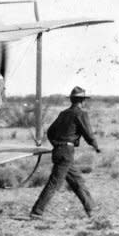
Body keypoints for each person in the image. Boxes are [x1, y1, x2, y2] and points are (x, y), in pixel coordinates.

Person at [30, 86, 101, 219]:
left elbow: (50, 132)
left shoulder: (63, 113)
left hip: (59, 151)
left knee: (77, 181)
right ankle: (37, 211)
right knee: (54, 183)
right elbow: (88, 133)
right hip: (66, 152)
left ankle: (91, 209)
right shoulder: (81, 114)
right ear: (82, 101)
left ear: (72, 100)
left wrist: (57, 144)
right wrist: (96, 146)